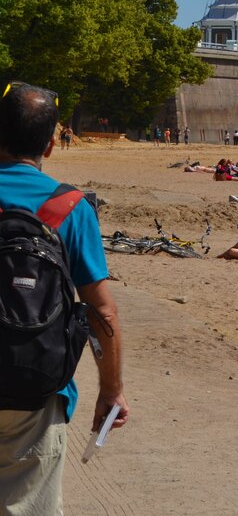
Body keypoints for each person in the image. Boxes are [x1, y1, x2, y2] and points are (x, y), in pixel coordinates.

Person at [0, 82, 129, 511]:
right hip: (34, 391)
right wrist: (110, 390)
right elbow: (102, 312)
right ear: (51, 146)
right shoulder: (70, 208)